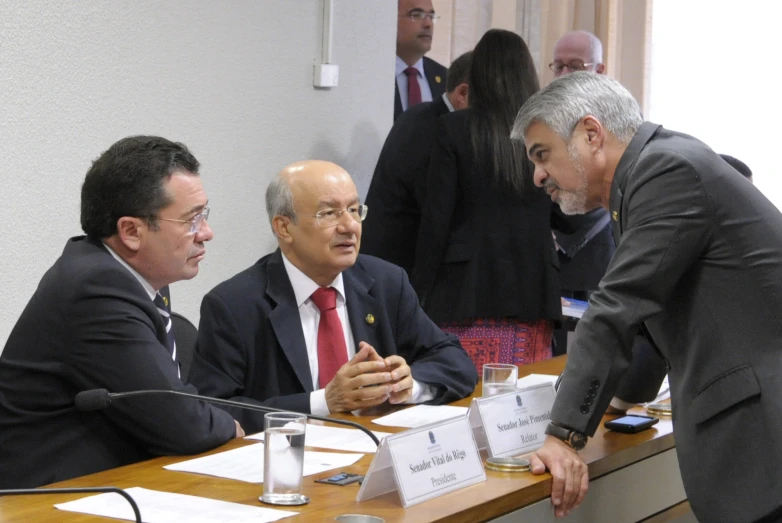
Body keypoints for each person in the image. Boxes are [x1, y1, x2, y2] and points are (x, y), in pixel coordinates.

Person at [512, 72, 782, 522]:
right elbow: (656, 305)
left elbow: (617, 307)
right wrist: (619, 402)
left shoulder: (664, 171)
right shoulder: (654, 170)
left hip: (764, 437)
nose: (538, 176)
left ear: (591, 134)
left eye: (543, 155)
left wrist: (563, 435)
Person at [0, 136, 242, 489]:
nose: (206, 233)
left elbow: (182, 404)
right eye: (192, 220)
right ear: (131, 231)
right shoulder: (97, 289)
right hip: (47, 498)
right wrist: (232, 425)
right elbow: (182, 425)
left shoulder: (137, 278)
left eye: (204, 214)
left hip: (115, 482)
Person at [189, 160, 477, 434]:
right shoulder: (234, 305)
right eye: (329, 213)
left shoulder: (386, 282)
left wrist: (409, 385)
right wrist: (324, 402)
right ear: (284, 227)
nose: (349, 226)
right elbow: (213, 409)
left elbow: (455, 361)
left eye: (354, 209)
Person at [413, 29, 563, 371]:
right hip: (533, 288)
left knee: (460, 397)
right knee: (522, 404)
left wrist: (417, 292)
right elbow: (567, 210)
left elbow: (437, 220)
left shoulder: (452, 128)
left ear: (477, 75)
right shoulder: (546, 132)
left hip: (465, 289)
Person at [363, 51, 472, 275]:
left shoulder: (423, 116)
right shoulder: (436, 130)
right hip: (397, 269)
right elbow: (438, 213)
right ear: (463, 93)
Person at [548, 30, 615, 356]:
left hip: (598, 254)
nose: (564, 75)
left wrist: (564, 236)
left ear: (599, 71)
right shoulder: (541, 115)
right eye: (558, 66)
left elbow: (612, 182)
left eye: (575, 66)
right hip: (548, 259)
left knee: (594, 356)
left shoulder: (618, 117)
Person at [394, 0, 447, 120]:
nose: (428, 24)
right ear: (392, 19)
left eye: (431, 16)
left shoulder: (446, 78)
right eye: (417, 15)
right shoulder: (374, 76)